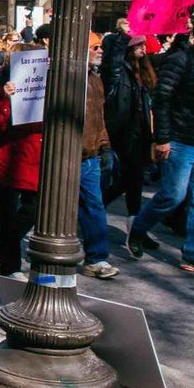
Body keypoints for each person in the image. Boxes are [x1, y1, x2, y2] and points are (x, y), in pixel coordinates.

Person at [128, 14, 194, 275]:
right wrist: (162, 138)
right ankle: (138, 228)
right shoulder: (180, 61)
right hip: (181, 142)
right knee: (172, 196)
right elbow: (162, 100)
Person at [0, 43, 43, 278]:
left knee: (33, 209)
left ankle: (0, 239)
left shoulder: (42, 84)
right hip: (4, 159)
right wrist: (7, 100)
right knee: (6, 213)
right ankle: (10, 266)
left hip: (31, 157)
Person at [104, 34, 157, 227]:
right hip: (122, 130)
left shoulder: (142, 72)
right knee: (131, 176)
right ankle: (98, 207)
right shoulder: (119, 71)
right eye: (139, 45)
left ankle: (135, 223)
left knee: (135, 178)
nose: (143, 49)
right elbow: (112, 63)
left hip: (140, 131)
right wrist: (123, 37)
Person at [78, 36, 118, 279]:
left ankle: (96, 258)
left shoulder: (95, 78)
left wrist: (104, 144)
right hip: (67, 155)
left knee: (94, 205)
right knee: (36, 208)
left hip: (90, 154)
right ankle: (4, 238)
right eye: (95, 47)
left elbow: (98, 115)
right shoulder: (67, 78)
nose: (101, 51)